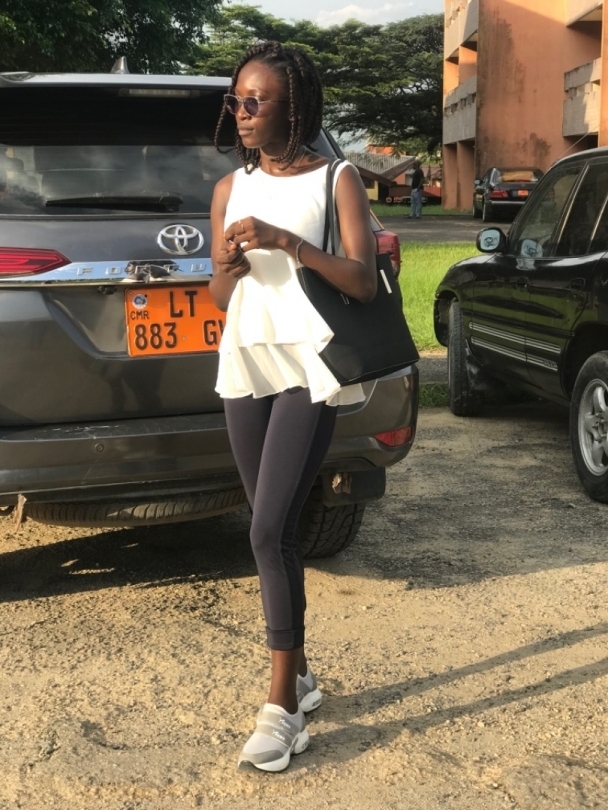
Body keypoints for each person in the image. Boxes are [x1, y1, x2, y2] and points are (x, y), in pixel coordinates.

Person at [209, 41, 377, 772]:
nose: (242, 114)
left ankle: (282, 709)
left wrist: (287, 242)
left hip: (310, 365)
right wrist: (227, 267)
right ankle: (301, 674)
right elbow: (223, 297)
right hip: (248, 362)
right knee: (269, 530)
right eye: (236, 101)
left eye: (257, 101)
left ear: (294, 106)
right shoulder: (229, 187)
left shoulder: (337, 178)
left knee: (268, 527)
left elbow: (362, 280)